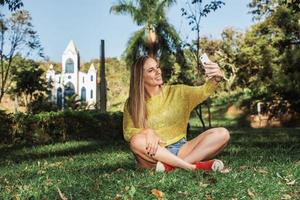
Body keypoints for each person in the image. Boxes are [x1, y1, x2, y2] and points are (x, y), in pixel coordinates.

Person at [123, 55, 230, 172]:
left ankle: (174, 167)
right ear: (140, 77)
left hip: (182, 149)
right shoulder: (132, 103)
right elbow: (128, 132)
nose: (158, 72)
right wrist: (147, 132)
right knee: (136, 141)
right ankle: (190, 166)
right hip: (154, 154)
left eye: (157, 67)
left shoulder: (179, 92)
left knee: (222, 134)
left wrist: (216, 79)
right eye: (151, 70)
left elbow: (204, 91)